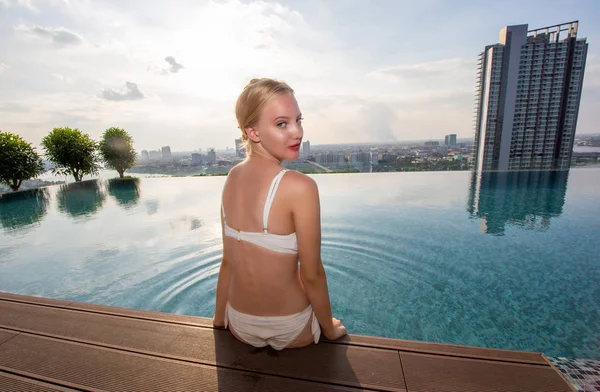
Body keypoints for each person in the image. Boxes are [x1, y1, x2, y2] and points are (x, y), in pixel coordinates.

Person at [212, 78, 347, 350]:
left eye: (299, 120)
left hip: (239, 323)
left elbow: (229, 263)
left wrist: (219, 320)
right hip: (291, 327)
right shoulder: (300, 186)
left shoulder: (231, 179)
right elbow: (312, 275)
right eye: (282, 124)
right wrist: (329, 329)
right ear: (253, 132)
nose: (297, 132)